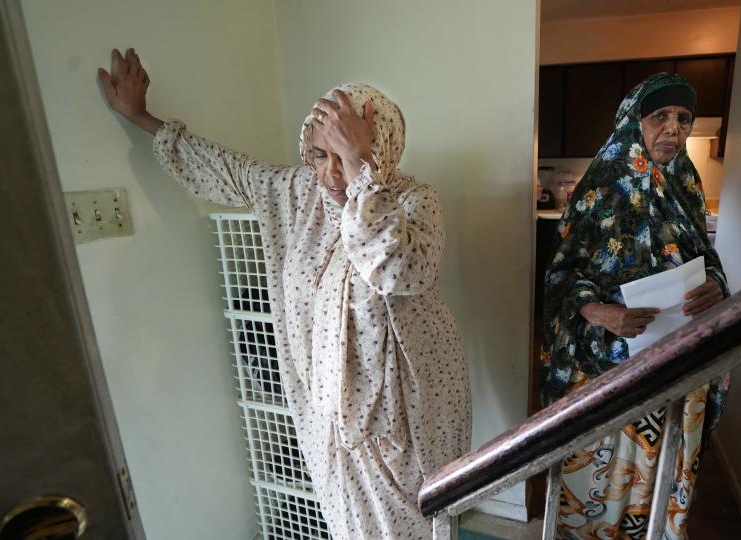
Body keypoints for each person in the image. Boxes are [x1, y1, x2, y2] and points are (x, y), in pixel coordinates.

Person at [98, 48, 471, 539]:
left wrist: (363, 174)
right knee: (352, 526)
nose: (333, 174)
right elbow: (223, 167)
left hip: (405, 411)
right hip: (330, 415)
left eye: (350, 153)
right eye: (321, 153)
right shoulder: (296, 195)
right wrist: (141, 116)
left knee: (417, 524)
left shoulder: (414, 200)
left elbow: (399, 269)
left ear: (382, 147)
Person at [541, 73, 730, 539]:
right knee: (598, 473)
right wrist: (601, 312)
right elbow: (561, 274)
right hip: (605, 361)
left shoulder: (685, 182)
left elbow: (707, 257)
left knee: (661, 470)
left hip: (675, 355)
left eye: (684, 119)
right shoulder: (600, 185)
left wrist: (716, 284)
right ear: (633, 121)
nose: (674, 129)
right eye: (659, 116)